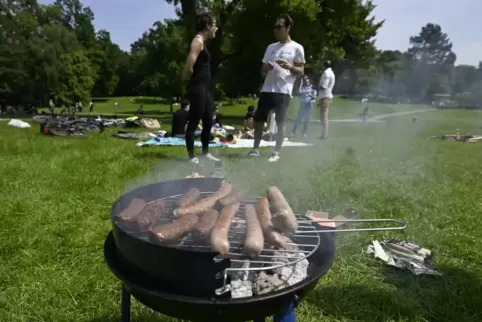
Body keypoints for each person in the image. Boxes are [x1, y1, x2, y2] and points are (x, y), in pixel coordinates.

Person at [247, 14, 305, 162]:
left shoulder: (296, 48)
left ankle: (276, 152)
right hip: (267, 89)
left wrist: (290, 66)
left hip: (283, 91)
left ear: (288, 28)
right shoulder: (271, 47)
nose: (276, 30)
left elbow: (301, 71)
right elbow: (262, 70)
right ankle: (255, 149)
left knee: (281, 122)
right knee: (259, 120)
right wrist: (267, 67)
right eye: (275, 27)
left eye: (279, 27)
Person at [183, 12, 220, 164]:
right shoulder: (197, 42)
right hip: (198, 86)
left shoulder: (205, 43)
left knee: (208, 120)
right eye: (214, 25)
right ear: (207, 26)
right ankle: (192, 156)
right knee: (194, 121)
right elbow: (188, 67)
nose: (216, 28)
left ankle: (205, 152)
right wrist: (193, 83)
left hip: (206, 87)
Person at [318, 61, 336, 139]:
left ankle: (324, 134)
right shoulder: (330, 72)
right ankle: (323, 133)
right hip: (326, 96)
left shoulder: (327, 73)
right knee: (323, 116)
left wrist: (316, 86)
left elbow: (324, 86)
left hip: (325, 96)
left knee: (323, 116)